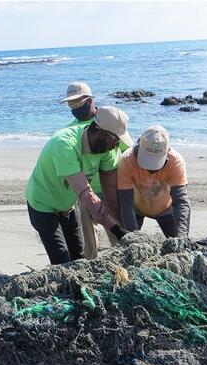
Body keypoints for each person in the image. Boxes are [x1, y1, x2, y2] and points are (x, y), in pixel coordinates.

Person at [26, 106, 131, 264]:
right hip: (42, 205)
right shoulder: (64, 144)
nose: (116, 146)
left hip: (68, 206)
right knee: (61, 259)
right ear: (101, 133)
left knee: (80, 258)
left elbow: (110, 196)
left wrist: (122, 233)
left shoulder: (108, 150)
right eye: (116, 140)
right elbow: (86, 193)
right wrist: (119, 232)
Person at [59, 82, 129, 258]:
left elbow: (128, 153)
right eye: (70, 103)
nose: (74, 107)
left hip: (110, 186)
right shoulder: (70, 130)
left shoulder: (109, 121)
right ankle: (92, 265)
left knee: (116, 232)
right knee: (89, 242)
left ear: (89, 100)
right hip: (85, 189)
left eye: (77, 102)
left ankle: (123, 261)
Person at [116, 125, 191, 237]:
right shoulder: (126, 160)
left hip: (167, 209)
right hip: (135, 209)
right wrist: (134, 238)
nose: (151, 168)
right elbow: (126, 204)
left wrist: (181, 237)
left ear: (167, 152)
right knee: (131, 242)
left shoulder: (175, 162)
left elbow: (181, 202)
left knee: (180, 242)